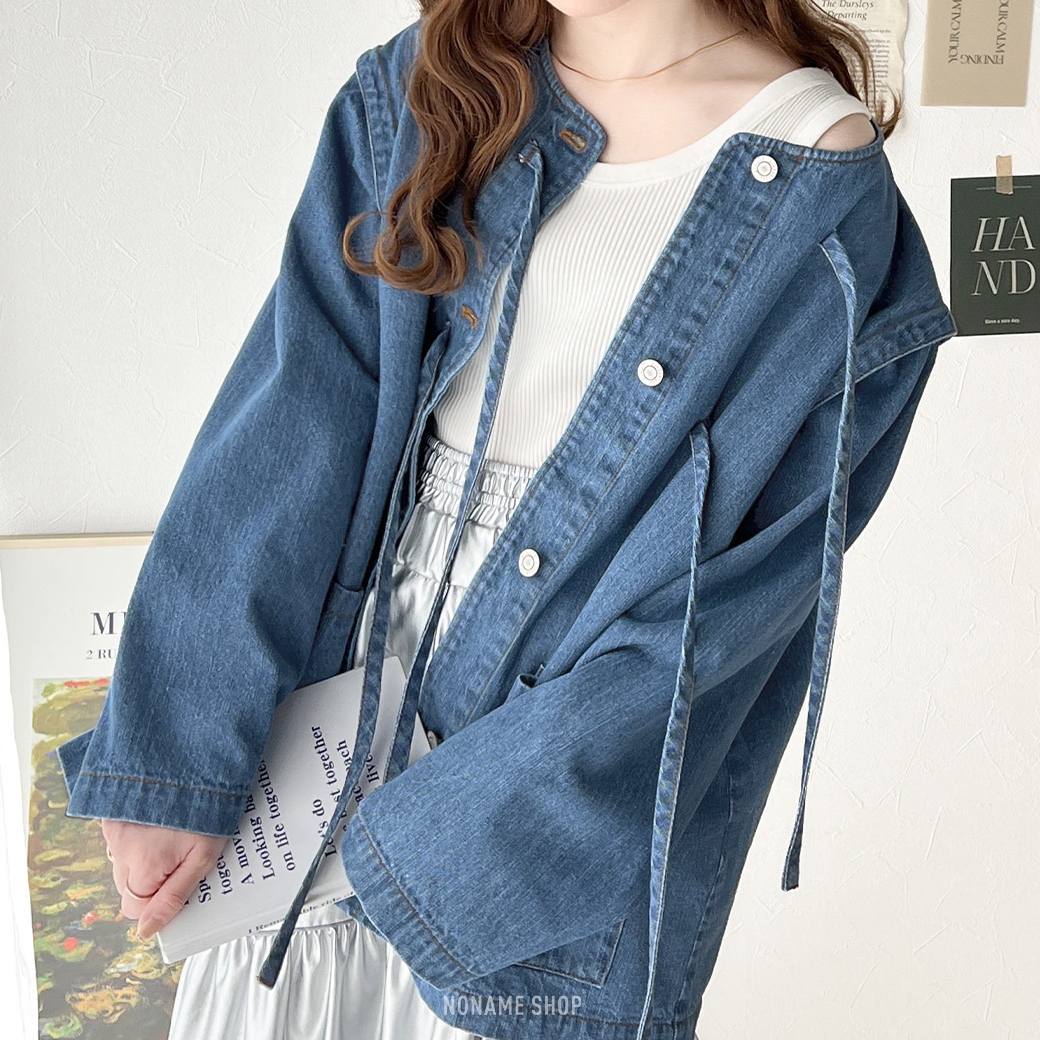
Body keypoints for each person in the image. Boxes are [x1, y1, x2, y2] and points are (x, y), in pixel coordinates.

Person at [59, 2, 959, 1038]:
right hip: (324, 709)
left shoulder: (820, 181)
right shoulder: (426, 85)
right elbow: (295, 412)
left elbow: (719, 619)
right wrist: (175, 749)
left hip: (544, 772)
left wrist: (445, 846)